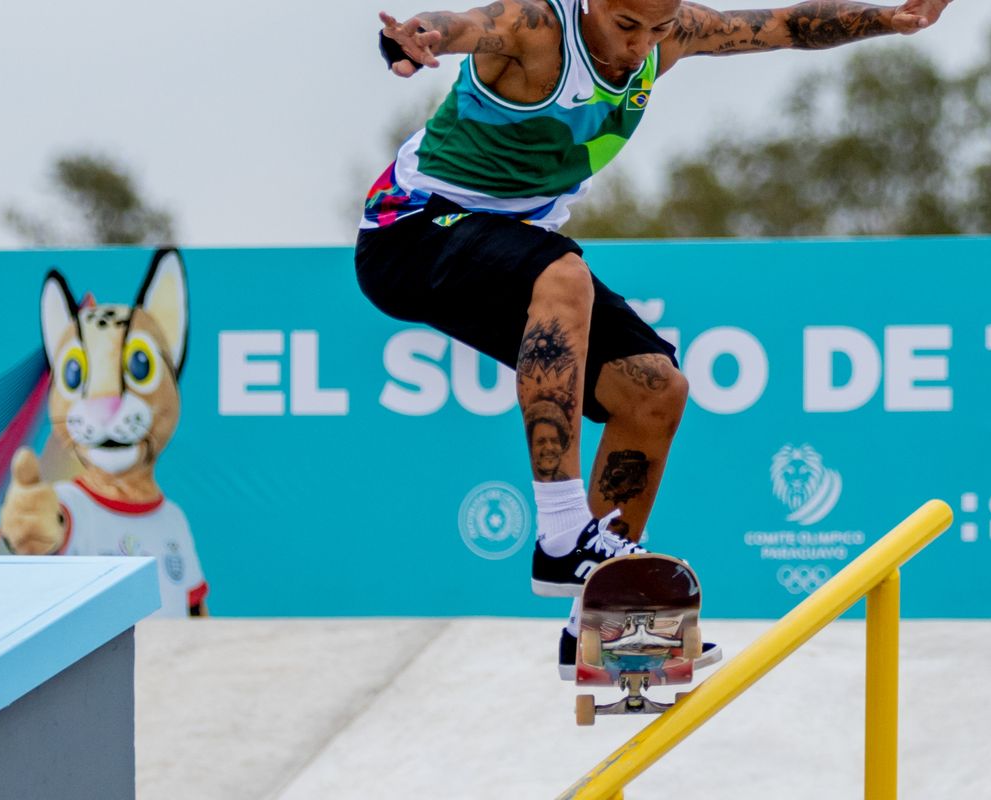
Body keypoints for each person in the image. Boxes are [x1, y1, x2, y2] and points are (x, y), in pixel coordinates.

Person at [355, 0, 952, 678]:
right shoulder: (535, 26)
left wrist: (888, 18)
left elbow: (783, 25)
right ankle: (559, 535)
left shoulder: (671, 35)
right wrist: (415, 41)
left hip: (504, 247)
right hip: (412, 232)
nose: (640, 51)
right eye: (626, 28)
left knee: (654, 388)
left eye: (657, 31)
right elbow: (460, 25)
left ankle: (608, 631)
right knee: (563, 273)